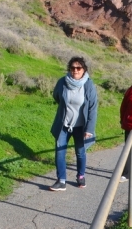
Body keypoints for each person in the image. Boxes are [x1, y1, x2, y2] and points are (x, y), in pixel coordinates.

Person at [49, 56, 98, 191]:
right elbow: (57, 96)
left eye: (78, 68)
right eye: (72, 68)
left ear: (84, 70)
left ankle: (81, 176)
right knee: (60, 152)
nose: (75, 70)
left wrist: (89, 129)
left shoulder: (88, 85)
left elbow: (93, 108)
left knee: (80, 152)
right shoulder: (62, 82)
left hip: (81, 127)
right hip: (64, 125)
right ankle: (61, 180)